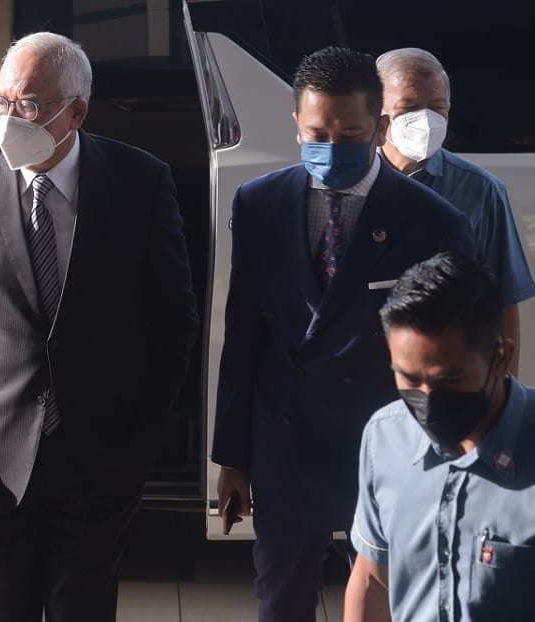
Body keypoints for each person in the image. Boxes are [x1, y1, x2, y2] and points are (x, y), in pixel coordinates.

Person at [0, 32, 198, 622]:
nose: (10, 117)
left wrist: (143, 439)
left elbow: (174, 321)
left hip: (102, 455)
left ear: (77, 112)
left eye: (30, 105)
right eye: (2, 101)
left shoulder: (140, 183)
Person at [212, 46, 476, 622]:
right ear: (296, 125)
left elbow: (455, 354)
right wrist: (232, 457)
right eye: (316, 134)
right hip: (286, 440)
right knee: (280, 601)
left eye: (350, 133)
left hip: (387, 446)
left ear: (380, 127)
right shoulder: (259, 204)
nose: (330, 149)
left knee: (392, 599)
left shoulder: (433, 221)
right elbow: (245, 333)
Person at [345, 252, 535, 621]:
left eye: (450, 380)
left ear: (500, 357)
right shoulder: (385, 439)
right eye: (410, 380)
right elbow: (373, 579)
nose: (428, 402)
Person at [377, 47, 535, 374]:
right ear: (377, 112)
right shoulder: (352, 183)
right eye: (409, 107)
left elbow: (503, 299)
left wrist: (505, 394)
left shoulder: (480, 191)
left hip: (446, 377)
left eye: (437, 108)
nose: (425, 120)